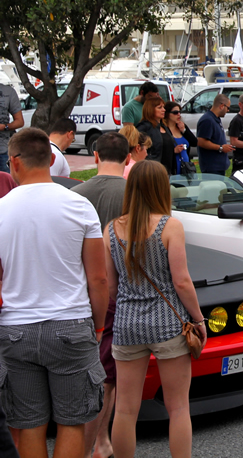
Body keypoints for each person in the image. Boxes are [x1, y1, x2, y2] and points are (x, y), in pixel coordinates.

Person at [0, 128, 108, 458]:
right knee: (71, 423)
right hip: (70, 324)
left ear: (13, 163)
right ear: (50, 159)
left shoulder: (1, 208)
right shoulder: (80, 206)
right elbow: (99, 279)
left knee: (29, 424)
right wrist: (99, 326)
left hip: (15, 328)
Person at [105, 160, 207, 458]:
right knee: (178, 407)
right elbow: (182, 282)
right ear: (162, 188)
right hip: (167, 324)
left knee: (125, 408)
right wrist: (198, 319)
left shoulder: (111, 229)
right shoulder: (170, 226)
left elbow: (111, 287)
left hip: (126, 325)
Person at [73, 132, 130, 458]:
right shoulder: (133, 194)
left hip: (81, 291)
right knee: (108, 377)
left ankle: (99, 442)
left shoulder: (77, 193)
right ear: (126, 158)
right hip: (122, 293)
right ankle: (99, 442)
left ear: (95, 156)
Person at [196, 93, 235, 176]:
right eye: (227, 107)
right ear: (221, 106)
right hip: (211, 168)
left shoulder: (216, 119)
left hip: (219, 166)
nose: (228, 110)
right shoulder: (207, 120)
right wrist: (220, 148)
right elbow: (201, 141)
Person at [164, 101, 196, 176]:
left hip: (185, 167)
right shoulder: (164, 130)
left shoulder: (181, 126)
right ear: (168, 114)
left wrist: (184, 131)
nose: (179, 115)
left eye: (179, 112)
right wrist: (173, 151)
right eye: (175, 112)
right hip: (173, 167)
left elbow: (194, 142)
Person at [0, 82, 25, 173]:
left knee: (8, 184)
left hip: (3, 151)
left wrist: (5, 127)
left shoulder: (8, 92)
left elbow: (20, 121)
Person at [135, 95, 167, 164]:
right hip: (152, 167)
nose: (164, 110)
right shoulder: (144, 127)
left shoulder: (164, 126)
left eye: (163, 107)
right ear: (151, 109)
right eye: (159, 107)